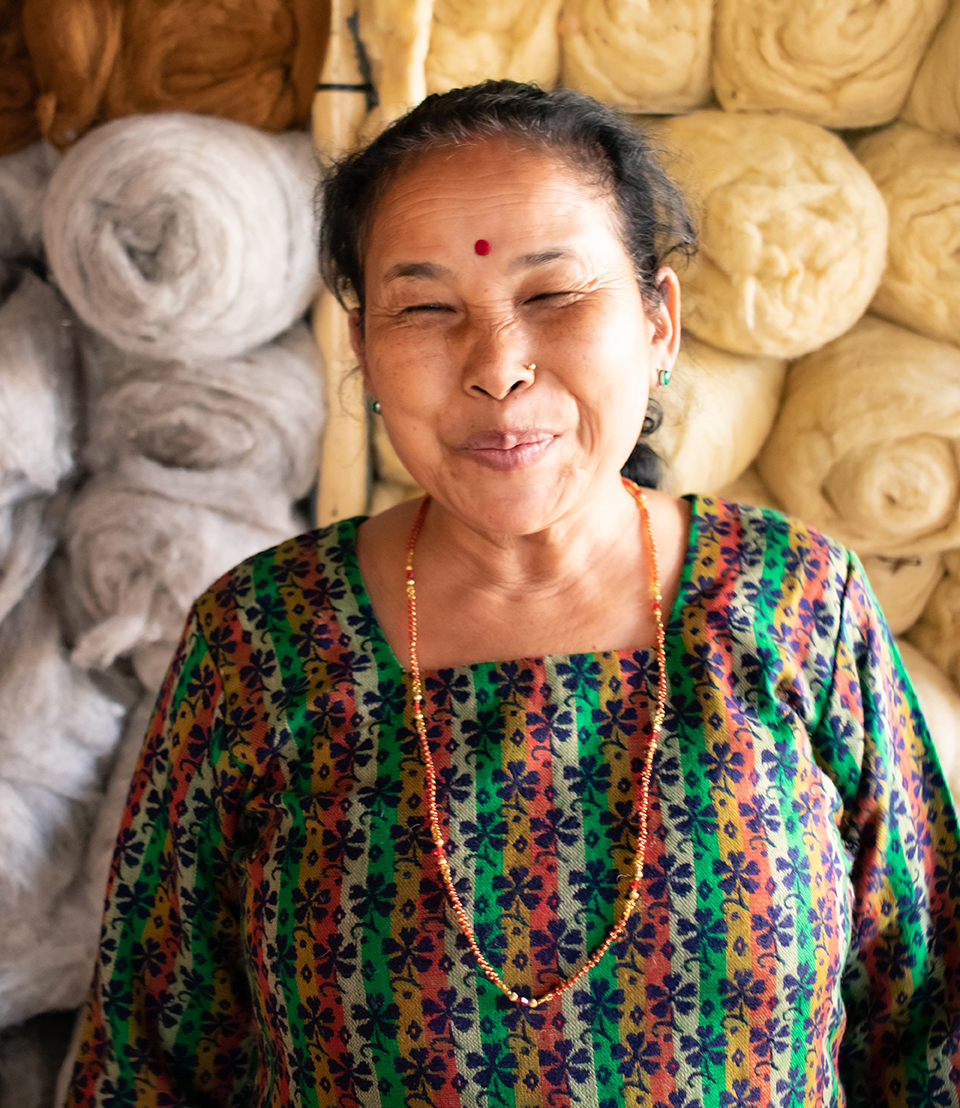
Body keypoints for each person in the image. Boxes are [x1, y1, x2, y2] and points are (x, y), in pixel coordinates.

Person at [64, 81, 960, 1108]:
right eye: (427, 307)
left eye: (553, 295)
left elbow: (928, 1017)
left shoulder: (795, 602)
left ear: (659, 321)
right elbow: (152, 1058)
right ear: (363, 352)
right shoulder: (267, 640)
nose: (497, 366)